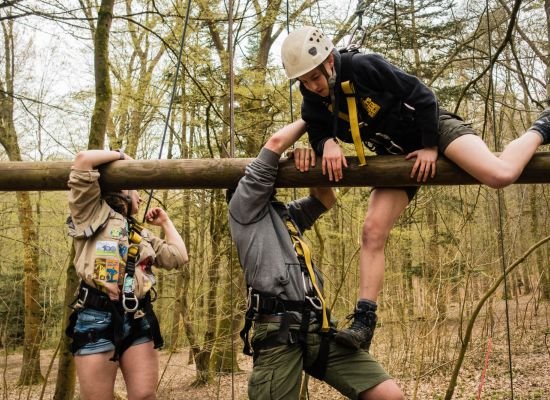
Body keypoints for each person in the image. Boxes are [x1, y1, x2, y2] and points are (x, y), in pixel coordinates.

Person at [280, 25, 550, 351]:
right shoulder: (312, 99)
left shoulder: (363, 66)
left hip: (433, 128)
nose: (313, 86)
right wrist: (326, 144)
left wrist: (429, 146)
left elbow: (423, 95)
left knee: (500, 174)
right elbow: (317, 132)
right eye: (304, 82)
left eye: (315, 77)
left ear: (328, 62)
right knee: (371, 230)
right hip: (396, 154)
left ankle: (542, 126)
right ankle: (364, 321)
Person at [228, 119, 404, 400]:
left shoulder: (285, 216)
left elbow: (325, 200)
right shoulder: (244, 208)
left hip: (318, 326)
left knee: (387, 395)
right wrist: (315, 115)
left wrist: (312, 161)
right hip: (279, 328)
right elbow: (274, 144)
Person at [65, 149, 188, 400]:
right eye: (136, 190)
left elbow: (178, 256)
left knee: (144, 396)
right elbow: (83, 161)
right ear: (121, 187)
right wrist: (123, 157)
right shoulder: (89, 213)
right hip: (95, 318)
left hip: (137, 317)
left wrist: (165, 223)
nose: (141, 199)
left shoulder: (140, 233)